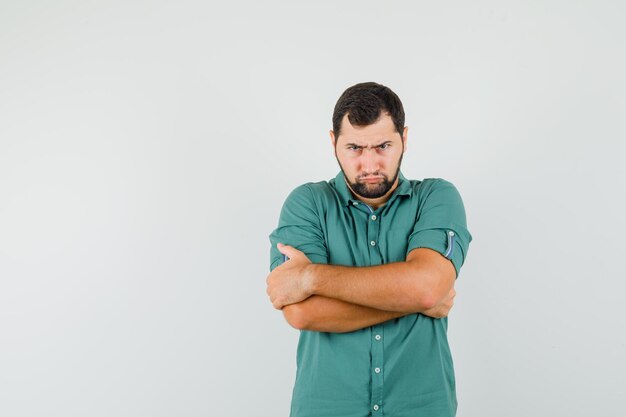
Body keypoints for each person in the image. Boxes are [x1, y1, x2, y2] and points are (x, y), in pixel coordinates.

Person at [266, 82, 472, 417]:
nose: (370, 164)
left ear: (404, 138)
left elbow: (427, 288)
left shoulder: (436, 197)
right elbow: (303, 313)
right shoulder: (307, 204)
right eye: (355, 148)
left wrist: (311, 277)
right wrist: (415, 299)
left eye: (383, 146)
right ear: (334, 142)